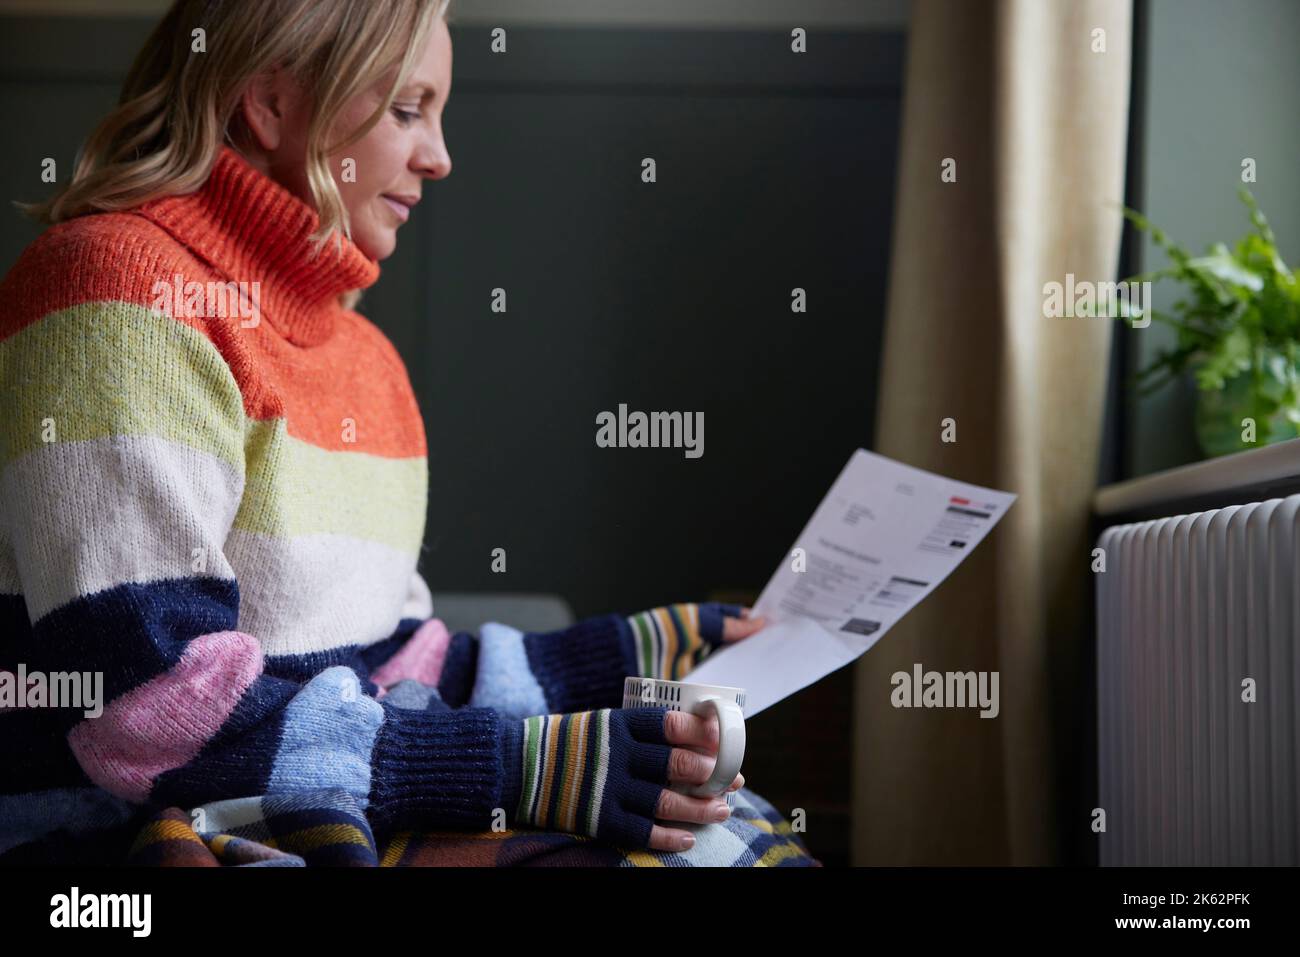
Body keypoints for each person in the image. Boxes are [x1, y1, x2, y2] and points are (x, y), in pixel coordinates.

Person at [0, 0, 809, 866]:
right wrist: (520, 771)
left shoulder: (365, 357)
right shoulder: (116, 295)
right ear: (269, 104)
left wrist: (628, 654)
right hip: (116, 832)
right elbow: (146, 712)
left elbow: (388, 662)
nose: (440, 156)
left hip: (301, 799)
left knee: (740, 837)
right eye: (406, 109)